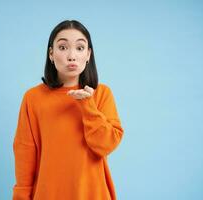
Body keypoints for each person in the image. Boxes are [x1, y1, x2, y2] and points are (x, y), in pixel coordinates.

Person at [12, 19, 125, 200]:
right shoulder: (33, 98)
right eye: (63, 47)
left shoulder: (102, 93)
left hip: (93, 193)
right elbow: (24, 152)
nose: (71, 55)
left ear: (88, 55)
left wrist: (87, 105)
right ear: (51, 53)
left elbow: (106, 145)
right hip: (48, 193)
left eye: (79, 48)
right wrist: (21, 196)